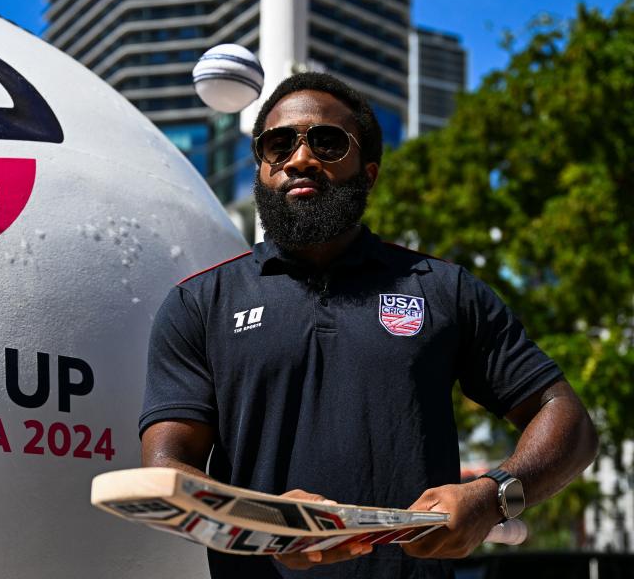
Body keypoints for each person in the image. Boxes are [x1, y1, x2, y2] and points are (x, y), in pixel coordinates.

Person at [139, 72, 598, 579]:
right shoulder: (200, 303)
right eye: (278, 144)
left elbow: (568, 421)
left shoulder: (444, 289)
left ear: (370, 173)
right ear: (262, 168)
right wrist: (269, 522)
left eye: (328, 142)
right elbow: (166, 473)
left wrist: (492, 495)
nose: (300, 158)